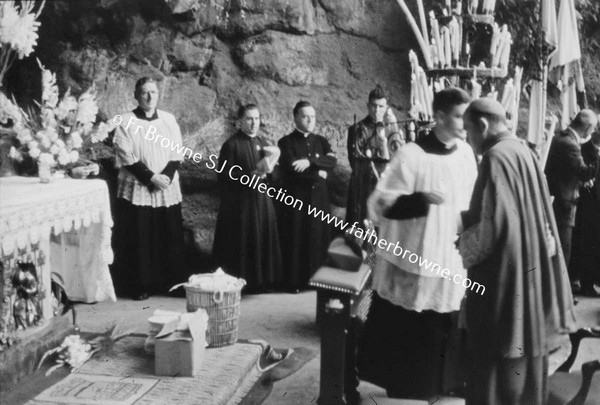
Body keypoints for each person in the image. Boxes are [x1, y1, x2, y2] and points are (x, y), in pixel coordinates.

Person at [358, 88, 478, 399]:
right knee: (411, 321)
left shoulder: (466, 153)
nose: (466, 122)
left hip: (451, 253)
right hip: (415, 254)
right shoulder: (412, 155)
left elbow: (471, 199)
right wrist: (420, 199)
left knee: (447, 317)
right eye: (458, 115)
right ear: (439, 116)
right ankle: (409, 382)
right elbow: (379, 204)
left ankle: (448, 381)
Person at [458, 98, 577, 404]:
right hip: (529, 271)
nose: (470, 142)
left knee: (495, 363)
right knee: (523, 357)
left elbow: (491, 228)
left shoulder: (495, 158)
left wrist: (463, 241)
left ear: (483, 126)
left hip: (503, 279)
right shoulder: (523, 150)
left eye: (469, 132)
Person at [112, 77, 185, 300]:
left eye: (153, 92)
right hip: (140, 185)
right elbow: (125, 154)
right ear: (136, 95)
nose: (150, 97)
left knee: (168, 233)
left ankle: (171, 283)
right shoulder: (125, 121)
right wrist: (150, 177)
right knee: (139, 235)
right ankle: (140, 284)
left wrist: (165, 177)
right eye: (145, 92)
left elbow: (176, 150)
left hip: (165, 185)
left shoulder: (168, 120)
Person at [212, 104, 282, 292]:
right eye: (249, 119)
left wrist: (268, 172)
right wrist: (248, 176)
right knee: (243, 239)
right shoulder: (231, 145)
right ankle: (243, 283)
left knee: (262, 237)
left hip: (261, 200)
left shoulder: (262, 142)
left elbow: (275, 175)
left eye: (257, 119)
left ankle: (262, 282)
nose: (254, 123)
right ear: (240, 122)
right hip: (240, 203)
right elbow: (224, 176)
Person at [277, 101, 337, 292]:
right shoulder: (285, 142)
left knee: (318, 237)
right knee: (297, 238)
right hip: (297, 199)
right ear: (295, 118)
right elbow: (291, 169)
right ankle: (295, 282)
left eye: (313, 116)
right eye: (305, 116)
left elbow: (332, 162)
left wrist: (309, 161)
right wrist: (318, 171)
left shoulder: (321, 141)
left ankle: (318, 281)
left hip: (319, 199)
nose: (310, 120)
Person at [545, 110, 599, 281]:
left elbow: (566, 172)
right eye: (594, 127)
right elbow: (585, 172)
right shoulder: (570, 143)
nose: (594, 131)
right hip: (564, 204)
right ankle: (559, 298)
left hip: (559, 200)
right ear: (588, 127)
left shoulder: (561, 138)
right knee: (563, 250)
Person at [346, 85, 390, 228]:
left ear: (386, 107)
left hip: (385, 188)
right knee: (361, 232)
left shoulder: (391, 131)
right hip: (363, 187)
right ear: (368, 105)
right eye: (374, 106)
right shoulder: (357, 129)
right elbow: (355, 163)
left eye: (381, 106)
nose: (377, 110)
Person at [570, 127, 600, 296]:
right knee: (589, 245)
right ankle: (587, 285)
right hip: (589, 205)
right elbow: (578, 173)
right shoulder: (582, 148)